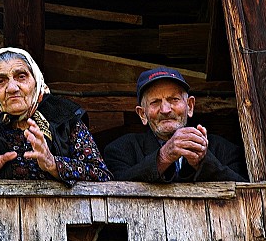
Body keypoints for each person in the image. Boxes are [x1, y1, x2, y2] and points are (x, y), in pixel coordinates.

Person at [0, 47, 113, 186]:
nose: (12, 88)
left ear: (37, 81)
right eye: (0, 80)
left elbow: (101, 175)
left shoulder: (64, 117)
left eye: (21, 76)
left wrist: (53, 163)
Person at [104, 66, 249, 183]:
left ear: (190, 106)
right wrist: (164, 156)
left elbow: (248, 196)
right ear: (143, 114)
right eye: (155, 102)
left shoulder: (224, 149)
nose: (165, 110)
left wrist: (202, 162)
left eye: (174, 99)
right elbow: (116, 190)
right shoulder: (121, 149)